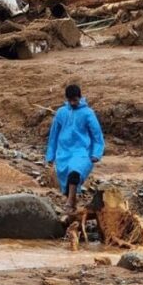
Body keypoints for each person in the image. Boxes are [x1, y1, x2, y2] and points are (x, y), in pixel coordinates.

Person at [45, 83, 105, 212]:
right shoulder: (61, 113)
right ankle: (72, 204)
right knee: (66, 182)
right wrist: (50, 155)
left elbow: (97, 135)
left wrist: (96, 153)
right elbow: (53, 135)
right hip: (63, 153)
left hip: (81, 152)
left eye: (75, 100)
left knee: (74, 173)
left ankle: (69, 203)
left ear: (80, 97)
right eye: (70, 100)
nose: (73, 103)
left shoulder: (88, 113)